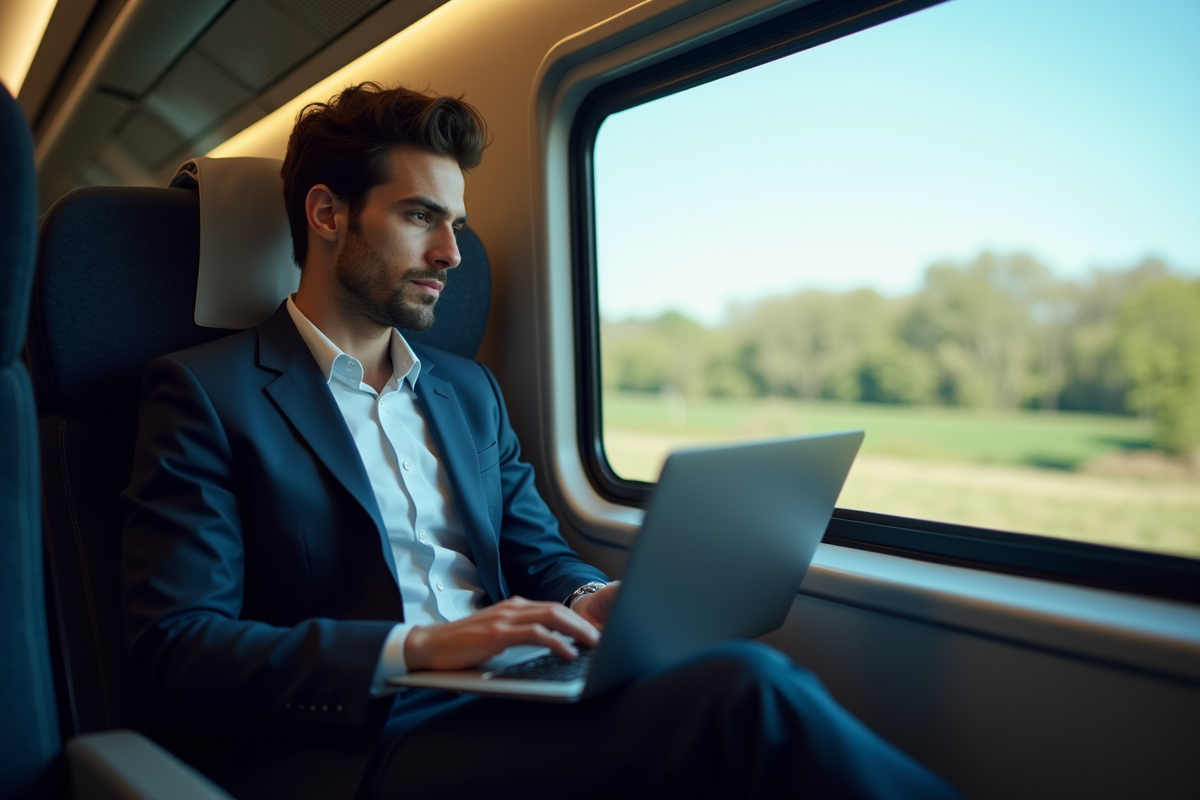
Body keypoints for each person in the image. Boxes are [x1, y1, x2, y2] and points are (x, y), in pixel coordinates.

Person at [122, 82, 963, 800]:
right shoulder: (208, 391)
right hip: (361, 741)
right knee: (743, 697)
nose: (453, 253)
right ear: (327, 213)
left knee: (730, 681)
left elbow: (540, 557)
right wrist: (419, 645)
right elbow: (176, 647)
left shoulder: (467, 391)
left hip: (507, 694)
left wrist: (588, 599)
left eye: (455, 222)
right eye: (422, 217)